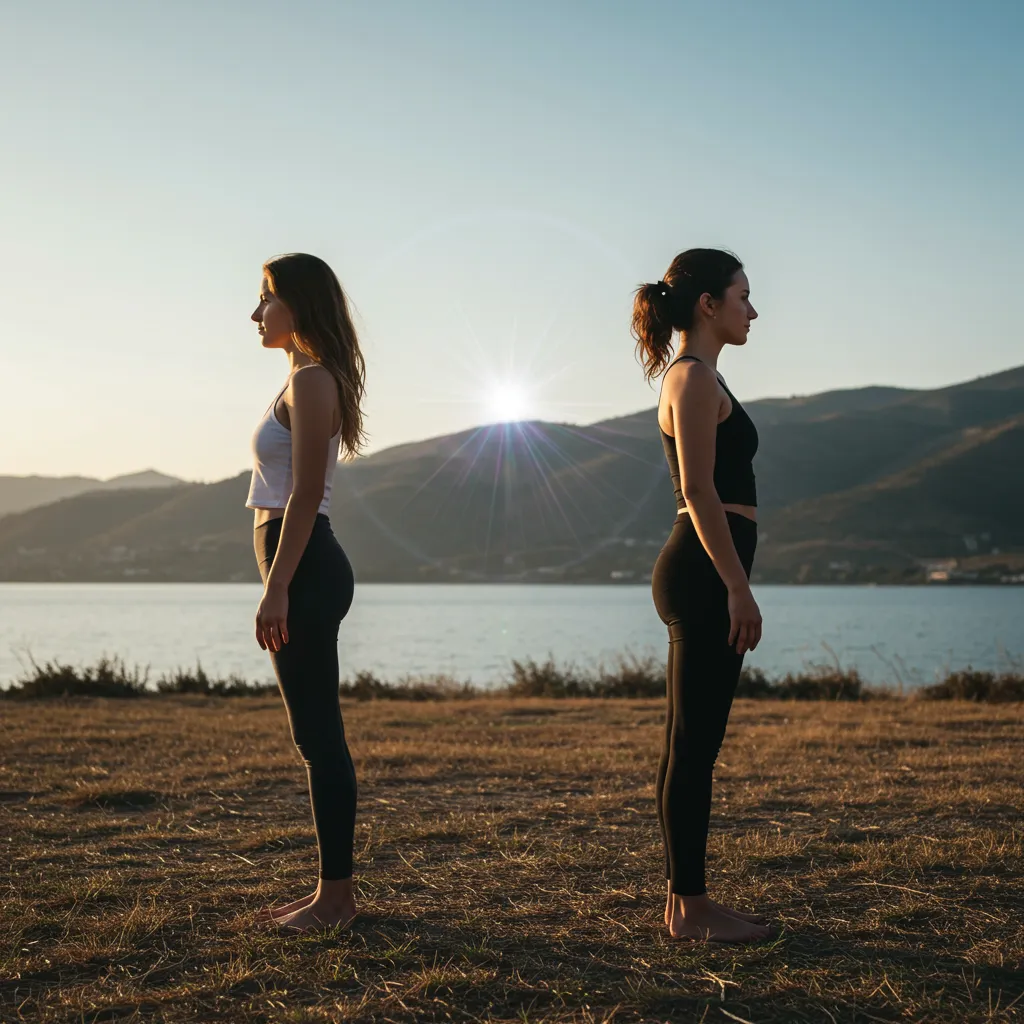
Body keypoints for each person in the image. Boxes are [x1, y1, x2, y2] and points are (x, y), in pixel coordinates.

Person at [631, 248, 771, 942]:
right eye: (743, 295)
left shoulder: (704, 376)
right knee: (693, 744)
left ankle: (685, 902)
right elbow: (697, 489)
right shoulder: (689, 377)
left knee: (695, 741)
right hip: (703, 571)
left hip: (712, 567)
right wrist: (737, 586)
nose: (753, 309)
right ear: (709, 305)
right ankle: (688, 908)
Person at [247, 252, 366, 932]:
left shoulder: (314, 379)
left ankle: (338, 900)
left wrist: (277, 586)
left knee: (320, 736)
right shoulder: (299, 379)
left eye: (266, 298)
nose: (256, 313)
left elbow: (303, 495)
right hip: (296, 565)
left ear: (300, 304)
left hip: (306, 568)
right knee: (311, 734)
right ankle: (330, 892)